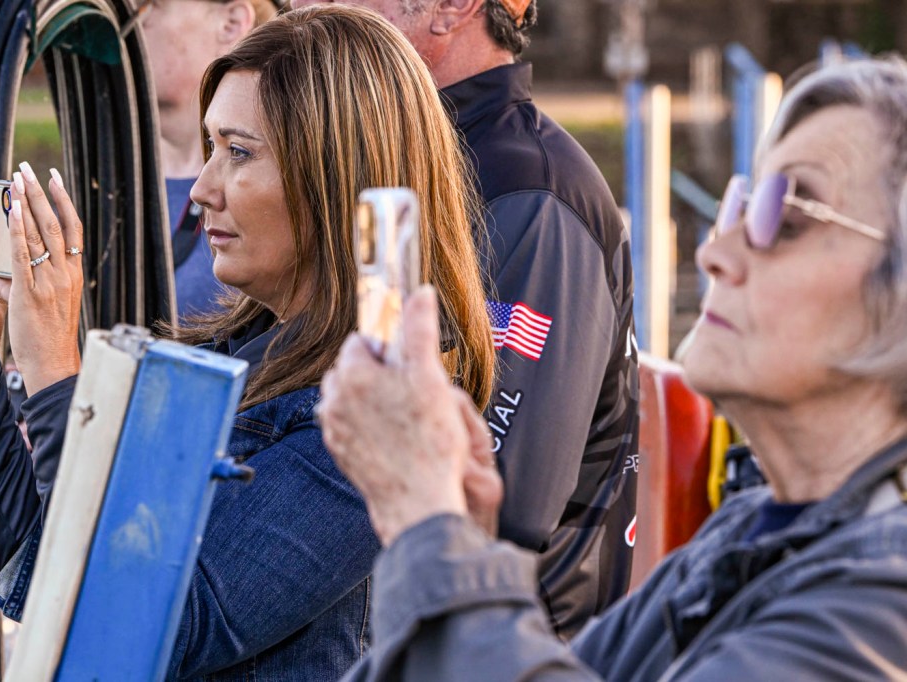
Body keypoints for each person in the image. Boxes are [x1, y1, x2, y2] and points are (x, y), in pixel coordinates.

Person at [0, 6, 495, 680]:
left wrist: (55, 371)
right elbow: (34, 573)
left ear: (335, 174)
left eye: (238, 152)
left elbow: (145, 625)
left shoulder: (375, 421)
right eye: (210, 148)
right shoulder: (238, 354)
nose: (200, 189)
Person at [318, 55, 907, 680]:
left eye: (785, 218)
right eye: (740, 206)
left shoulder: (879, 606)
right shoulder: (743, 539)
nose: (716, 252)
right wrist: (459, 533)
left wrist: (428, 523)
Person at [293, 0, 639, 636]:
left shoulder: (528, 189)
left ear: (452, 7)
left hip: (505, 646)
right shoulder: (389, 159)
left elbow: (499, 502)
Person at [132, 0, 280, 316]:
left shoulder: (272, 203)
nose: (126, 26)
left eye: (146, 6)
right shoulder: (100, 179)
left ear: (230, 23)